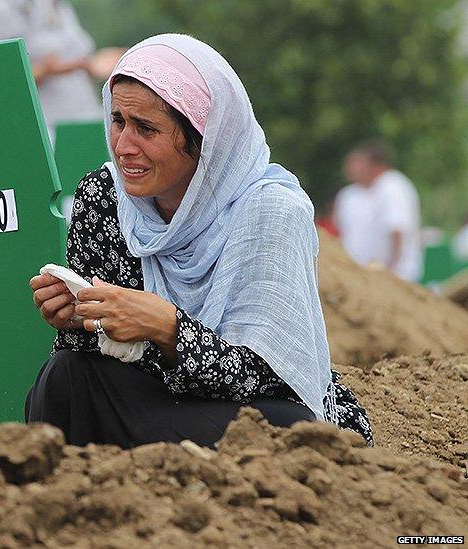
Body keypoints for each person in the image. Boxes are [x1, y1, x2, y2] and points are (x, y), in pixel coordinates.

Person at [27, 34, 372, 449]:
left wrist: (169, 328)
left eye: (146, 129)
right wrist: (76, 318)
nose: (123, 146)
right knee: (65, 374)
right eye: (118, 121)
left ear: (203, 137)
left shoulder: (268, 211)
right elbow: (103, 357)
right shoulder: (105, 197)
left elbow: (275, 382)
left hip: (245, 412)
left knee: (290, 432)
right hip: (150, 403)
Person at [0, 0, 103, 141]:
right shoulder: (2, 7)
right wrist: (44, 70)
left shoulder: (61, 6)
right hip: (43, 127)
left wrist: (94, 66)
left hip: (84, 118)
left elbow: (76, 57)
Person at [334, 141, 423, 282]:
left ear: (374, 165)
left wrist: (390, 270)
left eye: (357, 163)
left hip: (395, 276)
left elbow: (398, 230)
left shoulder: (393, 187)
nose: (350, 168)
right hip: (359, 276)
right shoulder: (348, 195)